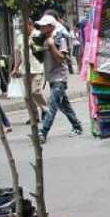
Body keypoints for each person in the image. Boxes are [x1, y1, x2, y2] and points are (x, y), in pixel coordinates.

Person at [36, 15, 82, 144]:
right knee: (64, 105)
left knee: (52, 105)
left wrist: (51, 46)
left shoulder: (59, 39)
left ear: (50, 27)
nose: (41, 28)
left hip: (59, 77)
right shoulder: (44, 40)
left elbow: (61, 59)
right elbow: (42, 60)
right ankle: (77, 125)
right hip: (51, 77)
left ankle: (43, 132)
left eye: (43, 26)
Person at [11, 19, 47, 124]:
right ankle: (34, 116)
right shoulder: (20, 38)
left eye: (23, 26)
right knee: (27, 96)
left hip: (37, 68)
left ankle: (45, 108)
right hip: (25, 69)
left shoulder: (39, 35)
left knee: (35, 91)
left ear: (30, 25)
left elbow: (43, 52)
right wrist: (15, 68)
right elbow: (18, 54)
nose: (22, 29)